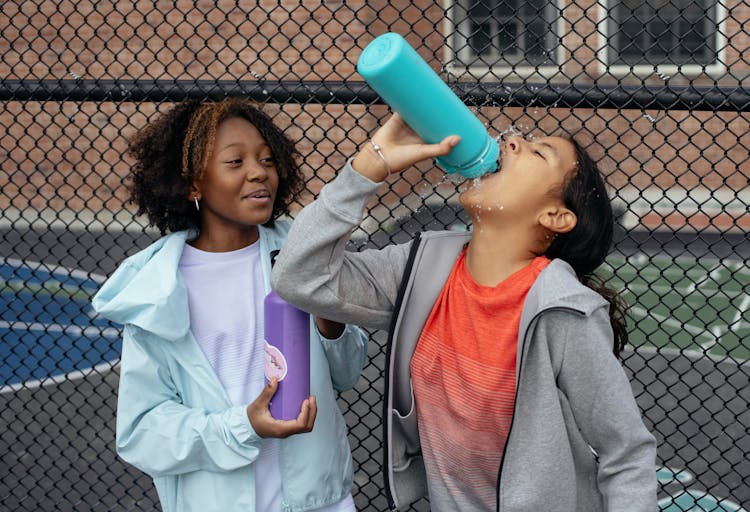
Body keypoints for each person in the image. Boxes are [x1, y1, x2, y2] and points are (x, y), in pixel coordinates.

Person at [271, 113, 658, 511]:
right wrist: (367, 168)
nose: (510, 142)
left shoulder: (562, 311)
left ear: (555, 217)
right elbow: (298, 277)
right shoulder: (421, 271)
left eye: (538, 151)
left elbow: (626, 453)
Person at [92, 98, 368, 512]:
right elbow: (141, 432)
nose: (259, 172)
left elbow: (347, 373)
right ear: (192, 184)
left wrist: (331, 320)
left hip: (318, 501)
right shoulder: (159, 289)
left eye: (267, 160)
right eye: (235, 162)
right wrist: (243, 427)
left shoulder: (302, 253)